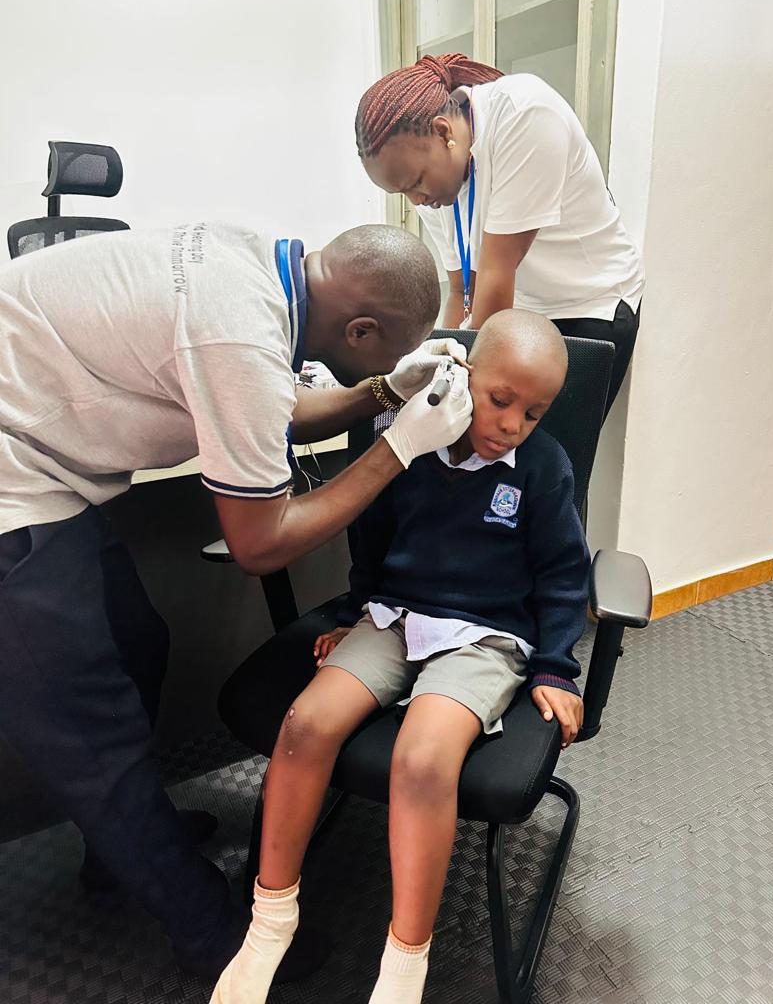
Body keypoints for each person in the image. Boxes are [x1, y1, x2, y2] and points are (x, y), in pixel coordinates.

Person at [0, 221, 472, 978]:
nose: (386, 366)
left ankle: (115, 849)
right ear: (359, 329)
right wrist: (399, 447)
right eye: (386, 352)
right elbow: (260, 544)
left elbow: (270, 404)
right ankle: (213, 939)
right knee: (89, 736)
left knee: (137, 641)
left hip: (42, 467)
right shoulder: (239, 335)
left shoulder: (259, 266)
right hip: (11, 488)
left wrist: (385, 390)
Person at [210, 309, 590, 1004]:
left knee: (422, 758)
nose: (512, 424)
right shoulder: (411, 439)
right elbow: (372, 537)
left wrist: (556, 667)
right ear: (467, 374)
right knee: (305, 723)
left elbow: (565, 574)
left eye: (533, 414)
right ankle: (270, 922)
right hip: (395, 615)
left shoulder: (543, 468)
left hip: (485, 634)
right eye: (500, 400)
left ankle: (405, 963)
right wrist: (354, 613)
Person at [355, 52, 645, 415]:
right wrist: (439, 363)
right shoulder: (434, 182)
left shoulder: (524, 115)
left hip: (589, 304)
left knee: (544, 447)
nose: (416, 200)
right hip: (521, 309)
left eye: (416, 183)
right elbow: (462, 289)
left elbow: (495, 273)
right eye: (402, 192)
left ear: (443, 132)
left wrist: (457, 387)